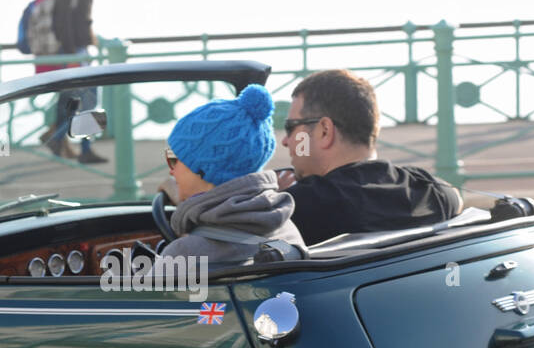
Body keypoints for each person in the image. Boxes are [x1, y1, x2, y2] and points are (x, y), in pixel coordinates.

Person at [276, 70, 463, 244]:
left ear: (325, 131)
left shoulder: (297, 207)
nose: (286, 141)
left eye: (291, 128)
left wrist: (277, 198)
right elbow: (455, 197)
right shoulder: (431, 191)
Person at [154, 84, 304, 268]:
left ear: (204, 169)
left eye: (174, 160)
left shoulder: (183, 254)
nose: (172, 171)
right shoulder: (285, 231)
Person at [49, 0, 106, 163]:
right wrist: (72, 54)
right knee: (86, 99)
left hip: (79, 51)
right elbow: (62, 21)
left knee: (76, 99)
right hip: (74, 52)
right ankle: (72, 143)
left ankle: (76, 143)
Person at [32, 0, 76, 157]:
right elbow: (53, 28)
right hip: (57, 55)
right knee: (71, 97)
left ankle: (57, 137)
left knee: (67, 98)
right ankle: (57, 137)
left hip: (53, 55)